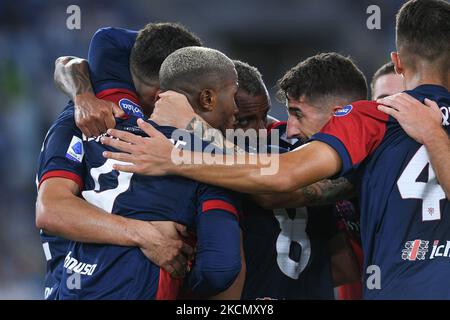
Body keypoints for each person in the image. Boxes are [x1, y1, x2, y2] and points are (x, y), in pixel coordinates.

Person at [101, 0, 450, 299]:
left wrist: (180, 149)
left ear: (398, 62)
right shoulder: (379, 130)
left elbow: (281, 178)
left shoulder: (373, 118)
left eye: (296, 114)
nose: (288, 126)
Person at [55, 46, 242, 299]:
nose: (237, 110)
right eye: (234, 96)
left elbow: (103, 40)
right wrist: (185, 280)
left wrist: (82, 94)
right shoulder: (210, 159)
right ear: (208, 98)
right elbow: (219, 268)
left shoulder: (97, 126)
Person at [36, 23, 203, 299]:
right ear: (161, 93)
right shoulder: (81, 121)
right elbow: (51, 210)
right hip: (75, 286)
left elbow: (82, 55)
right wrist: (145, 234)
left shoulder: (136, 112)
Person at [233, 58, 361, 299]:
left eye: (298, 114)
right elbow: (345, 269)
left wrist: (201, 136)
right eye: (245, 120)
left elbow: (269, 191)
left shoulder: (201, 153)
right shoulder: (291, 141)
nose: (261, 130)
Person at [54, 22, 202, 137]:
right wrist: (84, 99)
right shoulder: (114, 49)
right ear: (158, 96)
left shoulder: (205, 77)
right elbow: (67, 63)